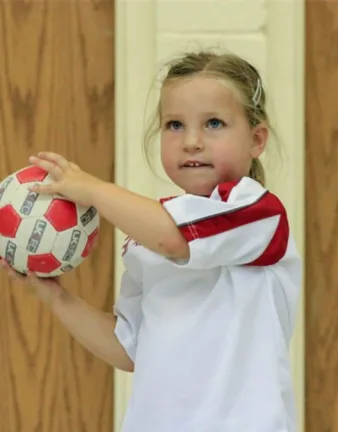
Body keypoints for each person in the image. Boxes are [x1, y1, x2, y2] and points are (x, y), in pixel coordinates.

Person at [1, 51, 301, 431]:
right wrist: (55, 296)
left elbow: (174, 238)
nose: (191, 141)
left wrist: (93, 189)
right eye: (174, 125)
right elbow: (128, 349)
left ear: (256, 140)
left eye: (213, 123)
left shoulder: (255, 211)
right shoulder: (145, 238)